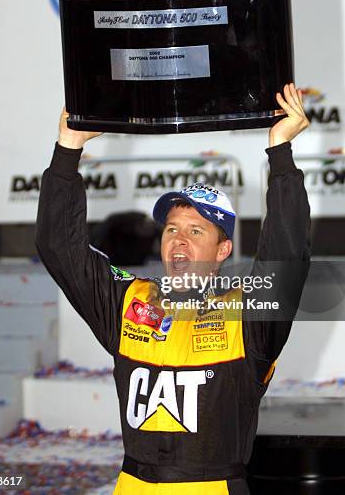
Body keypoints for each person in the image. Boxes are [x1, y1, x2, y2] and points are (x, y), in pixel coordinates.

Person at [36, 83, 311, 494]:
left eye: (195, 230)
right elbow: (59, 246)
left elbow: (287, 255)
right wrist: (68, 149)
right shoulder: (129, 301)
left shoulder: (248, 312)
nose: (178, 239)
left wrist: (280, 153)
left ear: (223, 250)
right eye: (171, 228)